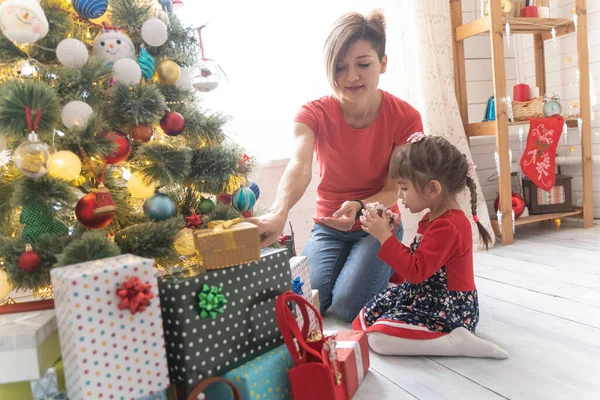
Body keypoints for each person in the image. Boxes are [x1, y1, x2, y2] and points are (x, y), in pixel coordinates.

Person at [250, 9, 423, 322]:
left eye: (363, 64)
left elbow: (392, 188)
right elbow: (299, 166)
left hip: (378, 226)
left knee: (346, 306)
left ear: (383, 64)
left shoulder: (405, 117)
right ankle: (371, 270)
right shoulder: (312, 112)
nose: (350, 77)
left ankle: (390, 271)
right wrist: (279, 211)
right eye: (339, 67)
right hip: (328, 229)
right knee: (308, 299)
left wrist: (359, 206)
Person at [353, 133, 507, 359]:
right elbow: (419, 263)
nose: (399, 195)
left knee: (377, 338)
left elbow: (415, 272)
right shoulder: (433, 218)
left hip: (446, 309)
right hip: (425, 296)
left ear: (432, 188)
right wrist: (392, 234)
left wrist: (385, 236)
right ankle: (446, 337)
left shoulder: (449, 226)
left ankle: (456, 341)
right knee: (364, 318)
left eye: (404, 188)